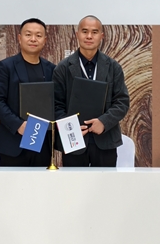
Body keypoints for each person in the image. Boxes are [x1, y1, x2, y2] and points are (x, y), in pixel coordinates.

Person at [53, 15, 130, 167]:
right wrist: (71, 128)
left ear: (102, 36)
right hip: (74, 141)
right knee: (75, 182)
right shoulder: (62, 68)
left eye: (94, 32)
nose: (89, 36)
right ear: (77, 34)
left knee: (104, 182)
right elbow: (55, 105)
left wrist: (104, 122)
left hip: (105, 139)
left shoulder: (113, 67)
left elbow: (122, 102)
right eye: (85, 31)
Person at [0, 18, 56, 166]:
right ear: (19, 38)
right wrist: (19, 125)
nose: (33, 39)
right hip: (13, 142)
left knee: (40, 181)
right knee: (12, 182)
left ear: (45, 40)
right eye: (28, 34)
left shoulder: (51, 69)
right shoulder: (5, 67)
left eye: (38, 35)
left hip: (42, 143)